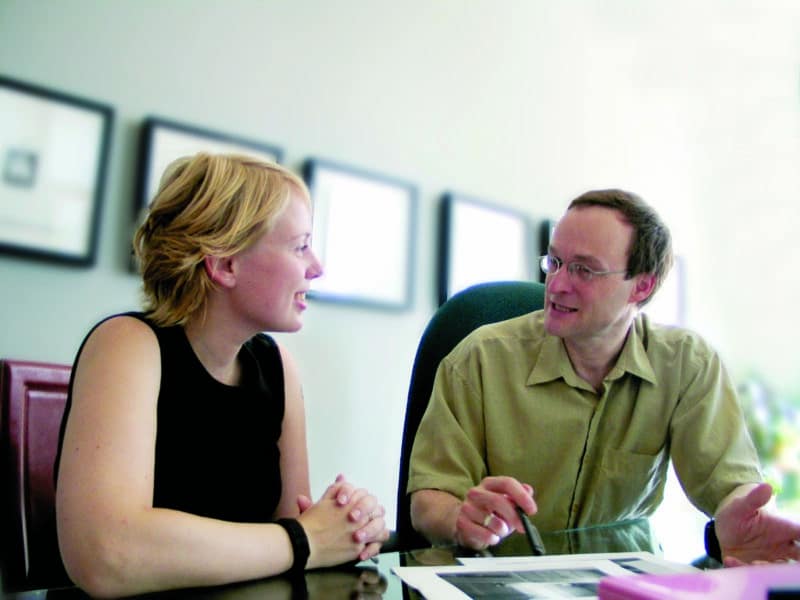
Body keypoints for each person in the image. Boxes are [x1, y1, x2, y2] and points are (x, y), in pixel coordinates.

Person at [55, 153, 389, 598]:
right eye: (300, 245)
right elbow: (105, 554)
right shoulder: (127, 345)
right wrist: (307, 539)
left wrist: (347, 526)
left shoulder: (279, 367)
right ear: (225, 264)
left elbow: (303, 537)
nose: (316, 266)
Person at [407, 188, 800, 565]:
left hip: (624, 580)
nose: (556, 285)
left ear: (641, 286)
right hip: (496, 580)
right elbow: (429, 498)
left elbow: (731, 485)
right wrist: (460, 517)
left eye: (583, 269)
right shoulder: (479, 359)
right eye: (555, 262)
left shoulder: (685, 363)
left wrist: (741, 518)